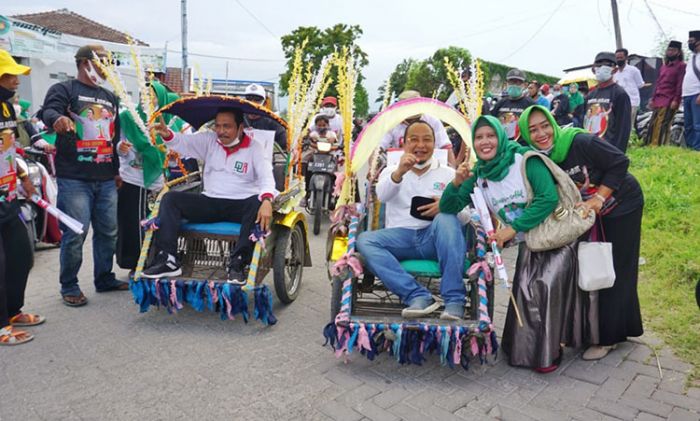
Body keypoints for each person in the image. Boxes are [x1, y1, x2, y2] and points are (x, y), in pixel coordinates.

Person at [441, 114, 595, 372]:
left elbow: (546, 199)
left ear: (502, 137)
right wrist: (456, 182)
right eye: (479, 137)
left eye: (491, 135)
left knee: (544, 287)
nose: (485, 141)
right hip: (530, 242)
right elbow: (448, 207)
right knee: (524, 291)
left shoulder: (524, 159)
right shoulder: (479, 174)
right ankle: (523, 351)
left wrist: (510, 229)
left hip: (555, 236)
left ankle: (550, 351)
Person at [518, 104, 644, 361]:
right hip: (589, 216)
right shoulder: (540, 158)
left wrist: (599, 197)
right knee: (593, 267)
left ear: (553, 124)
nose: (541, 133)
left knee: (615, 266)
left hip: (622, 205)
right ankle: (625, 326)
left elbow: (620, 161)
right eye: (533, 130)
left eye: (545, 126)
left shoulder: (579, 141)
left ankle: (608, 338)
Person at [143, 107, 276, 282]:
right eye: (218, 126)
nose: (221, 131)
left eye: (227, 126)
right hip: (210, 202)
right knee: (170, 198)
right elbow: (183, 143)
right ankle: (168, 259)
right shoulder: (209, 140)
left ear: (240, 127)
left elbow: (267, 177)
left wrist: (267, 200)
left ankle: (238, 263)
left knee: (256, 202)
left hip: (241, 205)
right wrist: (167, 134)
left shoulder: (254, 148)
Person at [39, 44, 126, 307]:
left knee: (108, 232)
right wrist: (58, 120)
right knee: (76, 233)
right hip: (74, 178)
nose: (106, 67)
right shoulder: (64, 90)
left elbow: (113, 136)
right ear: (85, 62)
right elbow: (48, 111)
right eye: (102, 61)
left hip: (106, 177)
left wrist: (116, 170)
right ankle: (69, 285)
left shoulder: (110, 97)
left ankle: (104, 277)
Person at [357, 120, 467, 320]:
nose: (421, 145)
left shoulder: (449, 173)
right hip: (401, 238)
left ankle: (454, 301)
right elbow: (382, 196)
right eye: (413, 140)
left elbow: (466, 216)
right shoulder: (391, 170)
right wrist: (400, 172)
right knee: (364, 240)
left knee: (446, 217)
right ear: (404, 144)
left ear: (435, 144)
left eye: (427, 140)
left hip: (435, 237)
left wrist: (446, 204)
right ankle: (417, 295)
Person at [0, 50, 44, 345]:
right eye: (8, 74)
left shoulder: (9, 111)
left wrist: (25, 178)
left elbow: (11, 151)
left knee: (21, 255)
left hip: (8, 195)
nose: (16, 80)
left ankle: (13, 310)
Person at [116, 81, 180, 278]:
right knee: (132, 224)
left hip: (157, 182)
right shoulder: (128, 118)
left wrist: (172, 157)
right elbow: (117, 143)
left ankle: (158, 260)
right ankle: (135, 263)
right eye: (145, 94)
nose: (148, 99)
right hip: (133, 179)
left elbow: (173, 153)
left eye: (153, 95)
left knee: (158, 222)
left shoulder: (167, 121)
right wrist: (121, 148)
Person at [380, 90, 456, 167]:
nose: (413, 122)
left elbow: (446, 146)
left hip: (430, 167)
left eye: (416, 118)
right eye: (410, 119)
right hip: (401, 167)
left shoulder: (432, 121)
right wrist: (373, 168)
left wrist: (453, 173)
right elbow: (379, 148)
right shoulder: (392, 123)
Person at [584, 52, 632, 153]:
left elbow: (623, 129)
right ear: (593, 69)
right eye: (598, 65)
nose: (601, 68)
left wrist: (618, 155)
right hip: (590, 147)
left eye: (607, 65)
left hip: (608, 150)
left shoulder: (620, 94)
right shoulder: (590, 95)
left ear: (614, 70)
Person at [645, 41, 686, 146]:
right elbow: (658, 83)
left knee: (662, 124)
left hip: (669, 99)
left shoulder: (681, 66)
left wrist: (676, 100)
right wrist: (652, 99)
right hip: (658, 99)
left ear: (678, 52)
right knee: (653, 124)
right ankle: (649, 145)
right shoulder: (664, 67)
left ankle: (659, 146)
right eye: (669, 50)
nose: (670, 52)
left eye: (673, 50)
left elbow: (680, 85)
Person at [491, 68, 535, 142]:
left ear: (525, 85)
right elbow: (492, 123)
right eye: (511, 82)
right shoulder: (500, 103)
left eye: (518, 83)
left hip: (522, 147)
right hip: (502, 145)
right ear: (506, 84)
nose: (514, 85)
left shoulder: (531, 105)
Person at [243, 83, 288, 151]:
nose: (252, 102)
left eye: (257, 99)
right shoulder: (238, 118)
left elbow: (284, 143)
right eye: (249, 98)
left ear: (264, 102)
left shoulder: (272, 121)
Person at [613, 48, 645, 126]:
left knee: (628, 126)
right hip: (618, 103)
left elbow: (640, 84)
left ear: (626, 58)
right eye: (617, 58)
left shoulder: (634, 70)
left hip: (632, 102)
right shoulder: (614, 72)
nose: (619, 60)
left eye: (621, 57)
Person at [682, 30, 700, 151]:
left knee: (697, 125)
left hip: (696, 94)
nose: (689, 44)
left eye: (692, 41)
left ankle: (697, 149)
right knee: (688, 125)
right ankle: (689, 148)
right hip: (687, 94)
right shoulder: (692, 57)